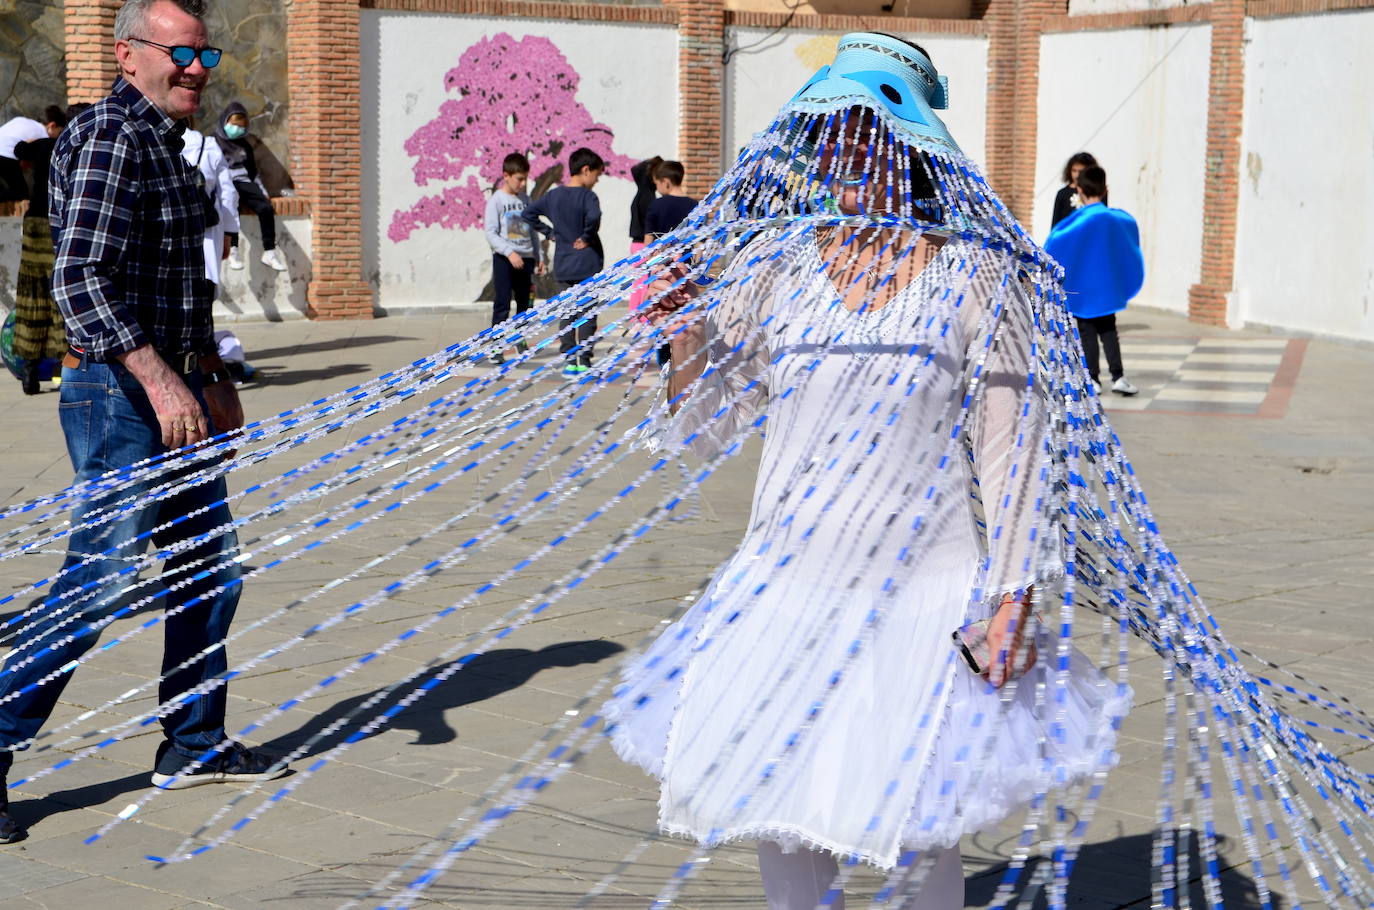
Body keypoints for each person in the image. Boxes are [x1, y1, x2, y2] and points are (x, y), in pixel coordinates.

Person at [606, 35, 1129, 909]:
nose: (845, 152)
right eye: (830, 133)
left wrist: (1012, 598)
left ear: (915, 143)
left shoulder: (979, 276)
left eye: (867, 131)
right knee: (783, 821)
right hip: (786, 581)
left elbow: (1012, 451)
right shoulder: (774, 267)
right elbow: (707, 424)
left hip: (924, 591)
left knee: (920, 834)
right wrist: (686, 327)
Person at [0, 0, 287, 845]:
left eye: (206, 54)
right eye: (181, 53)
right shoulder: (107, 136)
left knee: (210, 569)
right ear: (128, 55)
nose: (198, 68)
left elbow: (177, 283)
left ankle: (192, 742)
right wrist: (163, 382)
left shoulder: (167, 143)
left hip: (174, 385)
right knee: (104, 581)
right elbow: (81, 280)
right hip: (119, 394)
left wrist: (209, 375)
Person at [1045, 165, 1143, 395]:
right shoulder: (1116, 218)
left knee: (1087, 331)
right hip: (1107, 286)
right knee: (1109, 330)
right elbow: (1129, 240)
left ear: (1079, 190)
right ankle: (1118, 376)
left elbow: (1054, 245)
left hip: (1083, 287)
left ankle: (1093, 378)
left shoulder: (1074, 223)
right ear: (1105, 189)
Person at [521, 147, 605, 376]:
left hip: (564, 264)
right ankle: (584, 361)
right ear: (586, 170)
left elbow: (528, 213)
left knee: (567, 313)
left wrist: (549, 233)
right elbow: (595, 216)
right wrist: (587, 236)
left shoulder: (553, 196)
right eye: (596, 175)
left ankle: (570, 361)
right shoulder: (588, 196)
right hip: (587, 264)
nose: (596, 181)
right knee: (587, 314)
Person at [10, 106, 70, 394]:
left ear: (52, 125)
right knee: (61, 295)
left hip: (35, 225)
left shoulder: (44, 145)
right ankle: (62, 372)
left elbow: (18, 149)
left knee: (32, 295)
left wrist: (36, 139)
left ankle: (29, 373)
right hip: (61, 225)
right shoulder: (77, 146)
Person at [213, 101, 286, 272]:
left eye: (241, 127)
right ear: (225, 121)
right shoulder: (213, 141)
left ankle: (269, 252)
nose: (237, 129)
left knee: (265, 207)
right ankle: (233, 250)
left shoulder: (245, 144)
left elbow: (253, 171)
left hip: (245, 183)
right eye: (234, 125)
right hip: (226, 184)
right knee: (232, 206)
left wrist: (262, 191)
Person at [483, 152, 543, 362]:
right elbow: (490, 233)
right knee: (502, 303)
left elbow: (532, 231)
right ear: (506, 176)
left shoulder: (526, 200)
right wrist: (509, 253)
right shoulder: (497, 201)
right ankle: (496, 346)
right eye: (519, 179)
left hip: (526, 258)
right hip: (505, 259)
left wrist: (539, 256)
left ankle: (520, 339)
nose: (523, 183)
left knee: (525, 304)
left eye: (525, 178)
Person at [643, 159, 696, 241]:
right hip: (688, 249)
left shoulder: (656, 205)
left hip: (662, 249)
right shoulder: (694, 205)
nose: (657, 188)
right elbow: (697, 236)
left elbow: (649, 237)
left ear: (665, 182)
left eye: (656, 183)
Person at [0, 116, 48, 202]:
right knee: (21, 193)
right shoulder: (44, 136)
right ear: (52, 125)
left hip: (5, 153)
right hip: (6, 155)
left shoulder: (22, 120)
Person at [1050, 151, 1100, 228]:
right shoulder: (1063, 194)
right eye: (1074, 170)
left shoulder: (1097, 192)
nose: (1077, 175)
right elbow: (1056, 224)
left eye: (1080, 171)